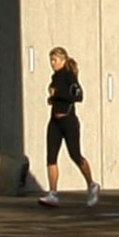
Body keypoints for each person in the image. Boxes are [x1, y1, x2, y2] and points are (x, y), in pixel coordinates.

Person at [43, 44, 101, 205]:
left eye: (54, 60)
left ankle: (92, 184)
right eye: (51, 60)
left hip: (68, 121)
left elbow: (78, 95)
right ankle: (53, 193)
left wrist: (58, 95)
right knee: (51, 157)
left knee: (75, 155)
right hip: (54, 121)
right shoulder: (54, 77)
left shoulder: (68, 75)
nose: (52, 63)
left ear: (62, 60)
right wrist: (52, 99)